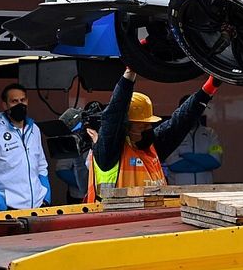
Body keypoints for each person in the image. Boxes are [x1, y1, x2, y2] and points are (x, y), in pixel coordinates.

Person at [85, 69, 221, 201]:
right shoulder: (109, 152)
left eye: (148, 124)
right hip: (114, 221)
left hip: (149, 220)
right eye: (142, 125)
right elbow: (115, 115)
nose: (148, 128)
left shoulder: (151, 147)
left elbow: (180, 121)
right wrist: (130, 73)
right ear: (126, 127)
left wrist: (209, 88)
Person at [0, 83, 49, 210]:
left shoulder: (34, 129)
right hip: (9, 207)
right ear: (5, 105)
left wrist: (45, 195)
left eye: (22, 100)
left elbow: (41, 165)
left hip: (38, 205)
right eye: (14, 101)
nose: (20, 104)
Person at [164, 95, 224, 185]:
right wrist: (204, 164)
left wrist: (187, 156)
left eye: (197, 109)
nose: (193, 113)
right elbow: (173, 164)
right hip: (180, 193)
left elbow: (215, 161)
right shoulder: (171, 134)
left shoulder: (211, 134)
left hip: (205, 192)